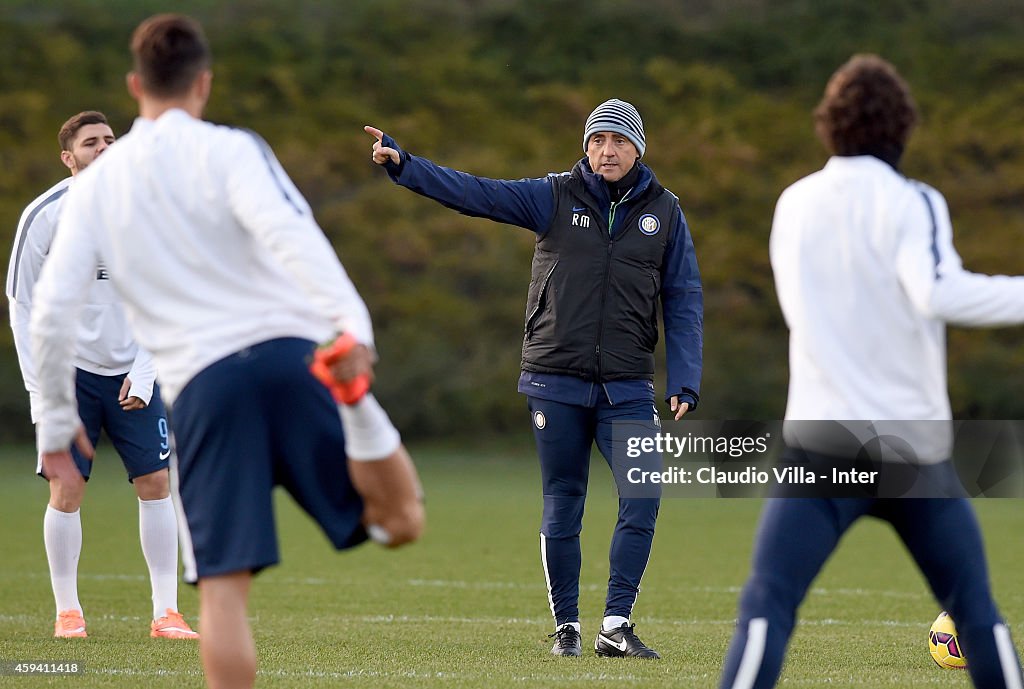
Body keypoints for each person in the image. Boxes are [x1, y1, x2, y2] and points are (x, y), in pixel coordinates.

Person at [29, 14, 424, 689]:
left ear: (134, 85)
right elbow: (294, 237)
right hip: (290, 354)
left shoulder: (94, 187)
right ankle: (357, 406)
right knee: (400, 523)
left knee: (223, 591)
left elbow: (50, 314)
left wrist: (56, 418)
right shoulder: (235, 149)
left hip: (206, 387)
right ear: (203, 84)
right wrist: (353, 329)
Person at [718, 54, 1024, 689]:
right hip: (912, 448)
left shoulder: (794, 203)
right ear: (902, 128)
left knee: (767, 606)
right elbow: (937, 293)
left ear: (827, 125)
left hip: (823, 446)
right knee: (976, 614)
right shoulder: (914, 201)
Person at [365, 97, 703, 658]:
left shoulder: (666, 213)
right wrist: (407, 166)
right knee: (564, 498)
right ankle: (567, 627)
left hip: (628, 388)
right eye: (597, 140)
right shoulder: (553, 195)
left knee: (642, 494)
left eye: (619, 141)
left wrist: (684, 379)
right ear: (586, 148)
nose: (607, 150)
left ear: (639, 148)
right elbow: (476, 193)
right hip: (555, 381)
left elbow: (684, 299)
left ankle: (616, 625)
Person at [5, 110, 198, 640]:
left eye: (111, 139)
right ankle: (68, 612)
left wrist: (145, 370)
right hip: (68, 376)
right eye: (92, 143)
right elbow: (21, 306)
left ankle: (167, 614)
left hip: (133, 372)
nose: (105, 148)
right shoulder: (44, 215)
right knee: (66, 487)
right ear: (69, 158)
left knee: (157, 483)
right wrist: (40, 391)